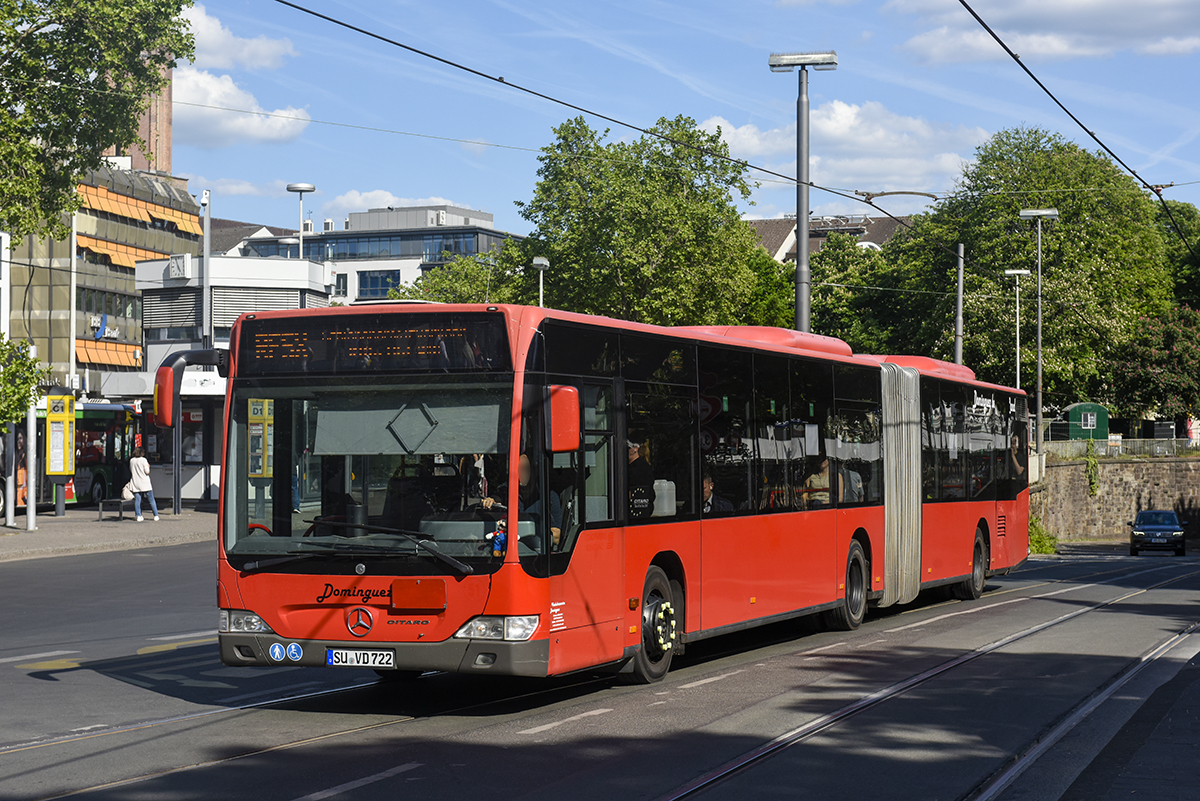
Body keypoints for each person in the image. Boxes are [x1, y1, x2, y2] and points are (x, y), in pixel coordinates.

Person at [483, 454, 562, 547]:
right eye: (518, 469)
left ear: (534, 470)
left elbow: (556, 537)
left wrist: (530, 531)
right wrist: (490, 501)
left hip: (535, 553)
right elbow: (496, 499)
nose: (522, 472)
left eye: (525, 468)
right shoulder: (506, 491)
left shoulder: (549, 497)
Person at [627, 439, 656, 519]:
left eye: (627, 448)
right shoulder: (639, 466)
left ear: (635, 449)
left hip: (636, 514)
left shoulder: (640, 468)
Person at [129, 446, 159, 522]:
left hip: (135, 482)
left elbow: (131, 470)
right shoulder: (143, 460)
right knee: (151, 499)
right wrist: (148, 466)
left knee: (137, 500)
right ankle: (155, 515)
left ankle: (138, 515)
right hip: (144, 482)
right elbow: (147, 471)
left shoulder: (132, 460)